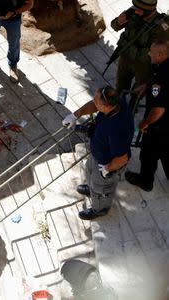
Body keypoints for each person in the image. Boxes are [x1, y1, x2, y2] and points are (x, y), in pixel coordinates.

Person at [62, 86, 134, 220]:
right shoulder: (116, 104)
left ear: (105, 106)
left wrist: (107, 169)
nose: (93, 103)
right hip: (98, 153)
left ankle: (100, 208)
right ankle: (91, 188)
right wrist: (75, 115)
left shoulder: (117, 129)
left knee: (101, 188)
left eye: (96, 101)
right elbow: (94, 105)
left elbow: (122, 158)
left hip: (106, 163)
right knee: (89, 172)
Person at [125, 40, 169, 191]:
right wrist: (148, 85)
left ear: (160, 55)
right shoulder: (163, 69)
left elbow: (158, 110)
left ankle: (145, 181)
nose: (149, 53)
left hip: (160, 127)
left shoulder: (160, 79)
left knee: (148, 154)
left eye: (152, 52)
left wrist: (145, 123)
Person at [110, 0, 169, 97]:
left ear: (147, 11)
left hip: (144, 64)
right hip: (125, 58)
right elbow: (114, 25)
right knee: (120, 87)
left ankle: (132, 107)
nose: (135, 11)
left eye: (139, 9)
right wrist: (118, 22)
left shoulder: (162, 26)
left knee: (138, 92)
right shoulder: (132, 12)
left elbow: (164, 49)